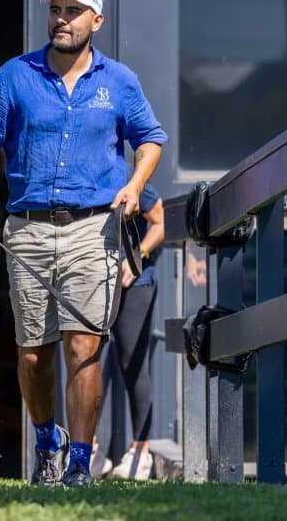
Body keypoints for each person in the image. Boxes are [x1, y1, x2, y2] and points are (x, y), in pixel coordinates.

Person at [0, 0, 167, 487]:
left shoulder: (119, 81)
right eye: (56, 11)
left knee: (84, 347)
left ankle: (80, 462)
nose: (61, 19)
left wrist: (135, 185)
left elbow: (150, 138)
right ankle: (48, 440)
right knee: (32, 353)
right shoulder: (15, 76)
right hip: (28, 230)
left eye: (73, 11)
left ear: (97, 20)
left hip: (95, 230)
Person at [90, 182, 165, 481]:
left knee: (132, 363)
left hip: (134, 283)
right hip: (93, 281)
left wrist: (138, 256)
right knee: (86, 362)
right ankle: (91, 450)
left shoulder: (127, 176)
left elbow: (160, 222)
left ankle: (140, 452)